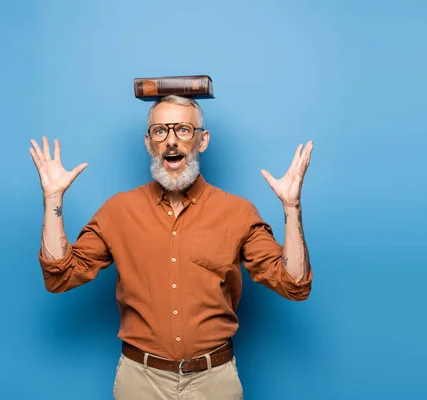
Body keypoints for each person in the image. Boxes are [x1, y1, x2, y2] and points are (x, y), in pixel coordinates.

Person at [29, 95, 314, 399]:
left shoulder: (238, 212)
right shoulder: (118, 211)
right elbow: (60, 276)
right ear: (149, 143)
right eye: (160, 131)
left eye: (183, 130)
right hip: (140, 381)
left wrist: (291, 205)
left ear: (202, 140)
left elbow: (294, 285)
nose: (171, 141)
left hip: (214, 382)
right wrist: (53, 200)